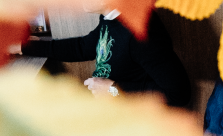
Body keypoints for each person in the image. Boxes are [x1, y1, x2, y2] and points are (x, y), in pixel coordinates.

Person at [19, 9, 191, 108]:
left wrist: (113, 89)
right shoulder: (110, 18)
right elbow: (82, 47)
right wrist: (23, 46)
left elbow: (179, 95)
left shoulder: (140, 31)